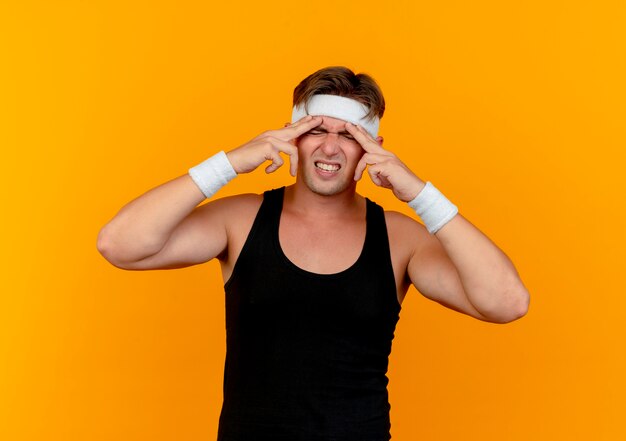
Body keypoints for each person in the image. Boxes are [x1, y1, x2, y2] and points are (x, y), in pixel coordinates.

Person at [97, 66, 530, 440]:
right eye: (316, 130)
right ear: (291, 136)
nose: (329, 147)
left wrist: (418, 193)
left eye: (348, 135)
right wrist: (230, 163)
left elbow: (507, 303)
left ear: (372, 146)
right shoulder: (242, 220)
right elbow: (120, 244)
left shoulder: (401, 239)